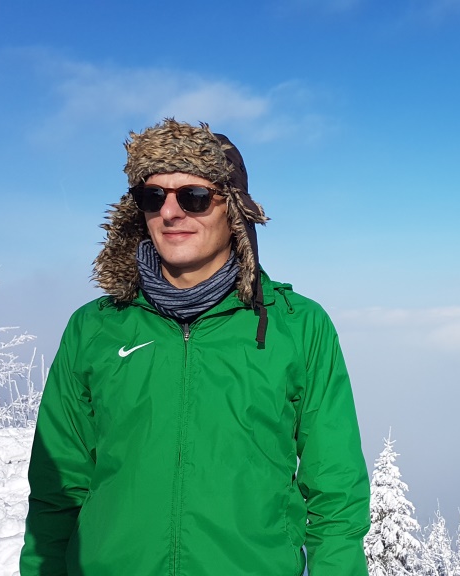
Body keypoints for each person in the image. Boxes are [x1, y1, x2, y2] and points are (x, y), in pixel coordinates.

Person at [20, 119, 370, 575]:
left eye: (195, 196)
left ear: (234, 209)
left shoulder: (298, 326)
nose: (170, 212)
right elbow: (56, 491)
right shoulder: (95, 328)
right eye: (153, 196)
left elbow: (336, 494)